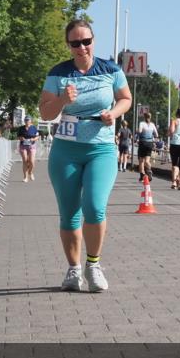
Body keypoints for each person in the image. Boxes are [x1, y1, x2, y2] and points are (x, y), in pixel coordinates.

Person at [39, 19, 132, 293]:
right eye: (75, 43)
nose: (82, 48)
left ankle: (93, 265)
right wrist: (62, 100)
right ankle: (73, 270)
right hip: (66, 150)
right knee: (69, 214)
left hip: (100, 149)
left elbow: (125, 98)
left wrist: (112, 114)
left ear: (93, 40)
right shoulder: (58, 74)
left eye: (86, 41)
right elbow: (46, 113)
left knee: (94, 206)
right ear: (68, 46)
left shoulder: (110, 69)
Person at [136, 111, 158, 181]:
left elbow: (139, 131)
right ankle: (149, 171)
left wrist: (137, 131)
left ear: (144, 117)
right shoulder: (152, 124)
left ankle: (142, 175)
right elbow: (156, 135)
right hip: (150, 143)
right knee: (147, 161)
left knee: (141, 160)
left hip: (143, 143)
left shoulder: (141, 123)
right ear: (150, 117)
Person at [17, 116, 39, 182]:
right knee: (25, 160)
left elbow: (37, 137)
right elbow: (18, 137)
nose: (26, 121)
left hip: (32, 145)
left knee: (32, 161)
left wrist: (33, 139)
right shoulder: (21, 128)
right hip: (23, 146)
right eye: (25, 120)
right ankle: (25, 177)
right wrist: (21, 138)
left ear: (30, 121)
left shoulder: (34, 128)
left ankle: (30, 172)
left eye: (28, 120)